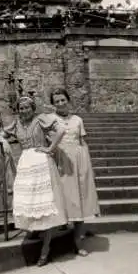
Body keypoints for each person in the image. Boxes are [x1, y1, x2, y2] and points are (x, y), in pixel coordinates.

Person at [0, 96, 68, 266]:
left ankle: (45, 249)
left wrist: (50, 148)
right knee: (30, 203)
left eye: (27, 107)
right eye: (21, 108)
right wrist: (4, 141)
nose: (24, 111)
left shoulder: (40, 119)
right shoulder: (16, 123)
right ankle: (35, 231)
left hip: (42, 162)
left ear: (33, 108)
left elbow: (62, 129)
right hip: (26, 163)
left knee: (46, 204)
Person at [48, 88, 100, 256]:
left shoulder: (77, 119)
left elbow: (82, 141)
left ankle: (78, 240)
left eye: (63, 100)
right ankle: (55, 237)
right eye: (57, 101)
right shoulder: (50, 120)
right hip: (61, 161)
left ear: (68, 100)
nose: (61, 103)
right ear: (53, 104)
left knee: (80, 199)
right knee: (62, 199)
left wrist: (87, 165)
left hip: (79, 162)